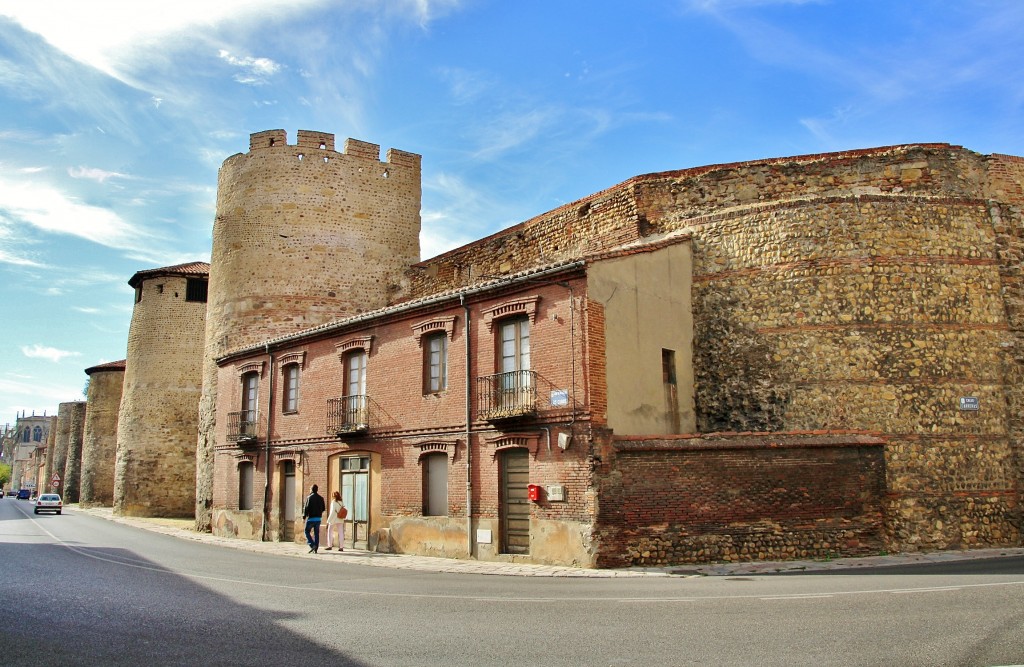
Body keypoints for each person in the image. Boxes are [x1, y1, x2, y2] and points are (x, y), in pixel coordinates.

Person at [301, 484, 326, 554]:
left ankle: (312, 545)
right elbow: (323, 508)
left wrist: (304, 517)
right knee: (316, 533)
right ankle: (316, 547)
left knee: (306, 531)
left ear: (311, 489)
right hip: (318, 519)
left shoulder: (309, 497)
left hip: (311, 518)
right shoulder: (321, 498)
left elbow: (306, 508)